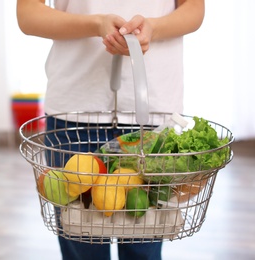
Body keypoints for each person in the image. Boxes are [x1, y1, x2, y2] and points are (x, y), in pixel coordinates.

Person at [17, 1, 205, 260]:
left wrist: (154, 28)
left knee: (144, 249)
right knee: (83, 247)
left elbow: (194, 9)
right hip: (75, 112)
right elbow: (28, 15)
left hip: (153, 115)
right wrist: (96, 24)